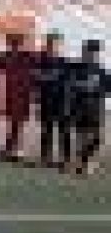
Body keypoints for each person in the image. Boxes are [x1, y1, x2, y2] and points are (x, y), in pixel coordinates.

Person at [68, 39, 109, 175]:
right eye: (89, 51)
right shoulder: (75, 69)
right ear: (84, 51)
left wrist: (99, 90)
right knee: (82, 136)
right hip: (79, 108)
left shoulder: (101, 71)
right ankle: (83, 163)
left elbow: (108, 88)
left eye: (95, 51)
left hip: (96, 109)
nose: (92, 54)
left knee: (97, 138)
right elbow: (69, 86)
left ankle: (83, 160)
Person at [35, 33, 71, 168]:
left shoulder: (65, 62)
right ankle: (45, 157)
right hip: (45, 100)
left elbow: (70, 82)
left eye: (55, 44)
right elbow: (35, 80)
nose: (52, 46)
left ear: (60, 45)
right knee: (46, 130)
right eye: (50, 43)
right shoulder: (40, 61)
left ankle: (65, 159)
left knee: (63, 131)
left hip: (61, 102)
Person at [0, 32, 37, 162]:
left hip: (23, 94)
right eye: (13, 43)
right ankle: (10, 147)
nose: (15, 46)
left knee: (18, 123)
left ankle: (11, 147)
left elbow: (33, 76)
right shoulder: (6, 57)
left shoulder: (28, 57)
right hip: (12, 94)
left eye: (17, 43)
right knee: (13, 122)